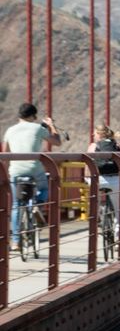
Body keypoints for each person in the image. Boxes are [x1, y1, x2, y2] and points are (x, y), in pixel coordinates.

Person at [3, 103, 62, 251]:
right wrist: (51, 125)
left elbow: (4, 154)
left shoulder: (10, 130)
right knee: (43, 188)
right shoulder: (38, 128)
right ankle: (38, 204)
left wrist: (6, 173)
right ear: (33, 116)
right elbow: (57, 142)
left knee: (17, 205)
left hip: (16, 171)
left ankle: (15, 241)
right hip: (35, 169)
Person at [86, 124, 120, 226]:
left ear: (99, 134)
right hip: (115, 180)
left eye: (94, 134)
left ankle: (96, 215)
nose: (93, 136)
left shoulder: (93, 146)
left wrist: (87, 179)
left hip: (99, 180)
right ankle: (118, 233)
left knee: (94, 197)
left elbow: (88, 165)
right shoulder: (118, 146)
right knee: (118, 209)